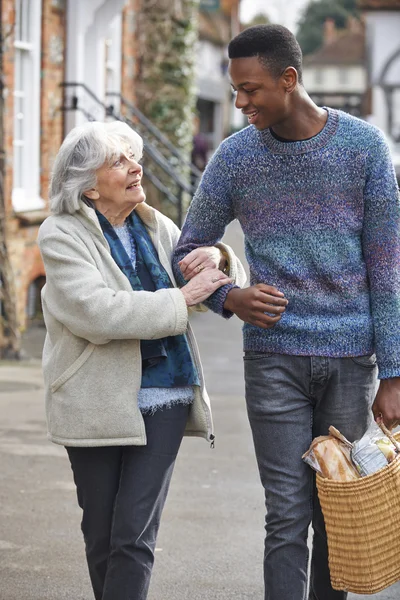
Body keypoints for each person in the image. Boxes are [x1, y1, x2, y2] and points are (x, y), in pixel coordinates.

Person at [173, 24, 400, 600]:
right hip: (273, 358)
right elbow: (186, 250)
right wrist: (230, 297)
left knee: (336, 509)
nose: (241, 103)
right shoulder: (235, 158)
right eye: (236, 92)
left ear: (289, 79)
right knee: (285, 513)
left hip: (352, 361)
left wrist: (394, 372)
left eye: (251, 90)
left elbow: (388, 267)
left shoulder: (364, 148)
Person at [37, 120, 245, 600]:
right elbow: (97, 312)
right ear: (88, 186)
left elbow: (205, 282)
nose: (136, 168)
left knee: (133, 534)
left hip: (167, 396)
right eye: (119, 161)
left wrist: (218, 259)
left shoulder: (156, 226)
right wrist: (181, 297)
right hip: (93, 402)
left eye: (134, 157)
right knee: (102, 535)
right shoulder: (60, 234)